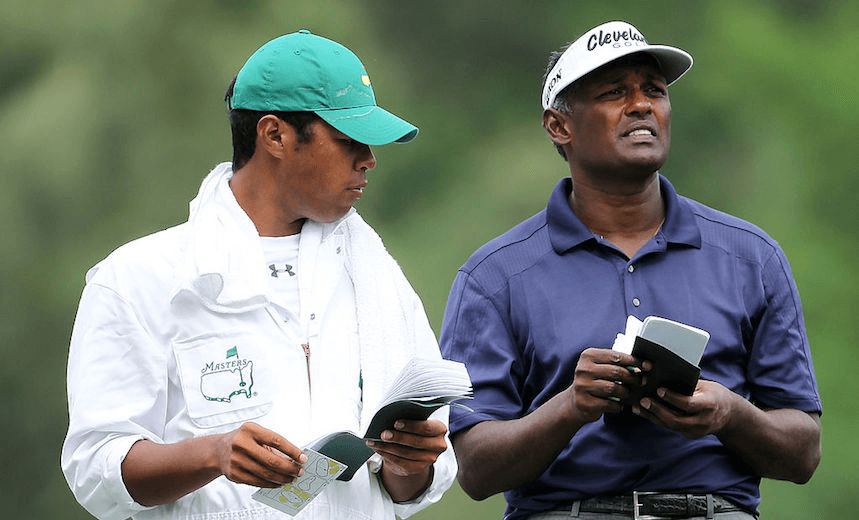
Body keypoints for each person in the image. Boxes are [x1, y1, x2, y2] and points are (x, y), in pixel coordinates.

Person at [62, 30, 456, 520]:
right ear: (274, 136)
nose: (369, 159)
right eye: (348, 140)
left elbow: (416, 485)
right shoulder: (136, 279)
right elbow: (94, 470)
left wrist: (409, 462)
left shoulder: (378, 280)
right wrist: (214, 453)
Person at [439, 20, 821, 520]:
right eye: (615, 92)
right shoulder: (494, 277)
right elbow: (475, 471)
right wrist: (571, 407)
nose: (642, 105)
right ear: (560, 126)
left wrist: (728, 413)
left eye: (654, 91)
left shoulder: (752, 257)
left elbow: (804, 453)